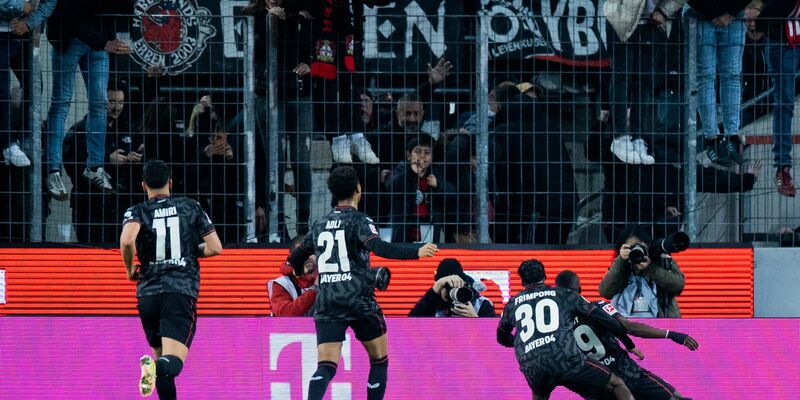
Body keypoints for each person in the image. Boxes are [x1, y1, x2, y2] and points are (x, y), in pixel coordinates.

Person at [285, 165, 438, 400]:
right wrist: (416, 251)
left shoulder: (319, 224)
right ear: (358, 189)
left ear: (333, 193)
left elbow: (295, 257)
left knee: (325, 366)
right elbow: (380, 247)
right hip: (359, 300)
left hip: (328, 302)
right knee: (379, 361)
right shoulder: (360, 221)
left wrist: (298, 271)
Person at [119, 160, 222, 399]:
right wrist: (189, 250)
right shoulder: (190, 207)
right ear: (171, 183)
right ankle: (153, 368)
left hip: (148, 295)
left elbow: (126, 240)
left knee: (163, 362)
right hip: (179, 291)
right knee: (172, 363)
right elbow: (215, 248)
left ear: (143, 185)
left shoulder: (137, 211)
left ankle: (155, 367)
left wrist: (128, 270)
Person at [497, 259, 636, 400]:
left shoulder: (511, 304)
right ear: (545, 277)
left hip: (533, 366)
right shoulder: (563, 294)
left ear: (522, 282)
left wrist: (525, 342)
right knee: (617, 385)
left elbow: (501, 338)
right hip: (566, 360)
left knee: (539, 394)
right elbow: (606, 320)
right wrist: (629, 344)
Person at [556, 270, 699, 400]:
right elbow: (628, 327)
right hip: (627, 373)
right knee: (675, 397)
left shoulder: (557, 324)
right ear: (579, 289)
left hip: (599, 383)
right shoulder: (598, 307)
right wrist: (671, 334)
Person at [45, 0, 132, 200]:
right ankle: (53, 170)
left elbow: (120, 9)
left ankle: (94, 167)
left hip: (98, 41)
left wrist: (105, 40)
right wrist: (103, 42)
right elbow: (69, 13)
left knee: (100, 104)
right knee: (61, 103)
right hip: (71, 39)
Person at [603, 0, 686, 164]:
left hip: (652, 23)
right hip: (622, 18)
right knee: (622, 76)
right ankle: (619, 137)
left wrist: (663, 11)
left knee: (644, 81)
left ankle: (638, 137)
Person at [64, 79, 142, 243]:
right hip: (90, 206)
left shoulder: (130, 129)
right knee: (92, 255)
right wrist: (106, 160)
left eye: (120, 102)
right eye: (112, 101)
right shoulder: (81, 129)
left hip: (123, 205)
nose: (117, 107)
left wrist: (137, 159)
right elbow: (72, 165)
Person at [685, 0, 752, 167]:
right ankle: (712, 139)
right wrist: (716, 11)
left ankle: (732, 137)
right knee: (706, 77)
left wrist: (730, 11)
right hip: (700, 14)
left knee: (732, 77)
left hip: (733, 16)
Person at [753, 0, 800, 196]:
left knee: (784, 102)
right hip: (782, 40)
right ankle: (783, 167)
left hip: (784, 37)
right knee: (784, 102)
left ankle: (783, 167)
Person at [1, 0, 56, 167]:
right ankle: (7, 143)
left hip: (20, 34)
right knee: (2, 89)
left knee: (34, 84)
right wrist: (19, 6)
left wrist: (29, 22)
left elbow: (50, 1)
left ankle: (24, 137)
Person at [599, 225, 686, 318]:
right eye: (631, 247)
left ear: (648, 245)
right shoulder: (621, 264)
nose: (636, 250)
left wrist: (651, 268)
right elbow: (605, 292)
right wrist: (621, 260)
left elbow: (678, 286)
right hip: (625, 324)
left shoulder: (662, 261)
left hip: (661, 323)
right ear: (622, 248)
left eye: (639, 246)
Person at [386, 136, 456, 242]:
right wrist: (411, 172)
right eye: (418, 152)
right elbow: (390, 185)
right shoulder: (402, 169)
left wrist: (438, 185)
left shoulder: (436, 172)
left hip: (429, 229)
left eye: (427, 153)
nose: (422, 156)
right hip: (404, 230)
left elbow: (453, 193)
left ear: (432, 157)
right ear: (408, 155)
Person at [408, 258, 496, 318]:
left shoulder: (480, 304)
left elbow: (495, 340)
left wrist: (475, 319)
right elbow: (408, 327)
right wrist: (433, 292)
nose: (451, 292)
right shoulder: (431, 302)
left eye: (456, 286)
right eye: (447, 286)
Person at [268, 238, 318, 317]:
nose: (308, 258)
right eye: (302, 254)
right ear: (292, 257)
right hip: (293, 329)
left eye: (311, 253)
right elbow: (284, 315)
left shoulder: (327, 278)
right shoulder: (281, 284)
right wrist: (314, 289)